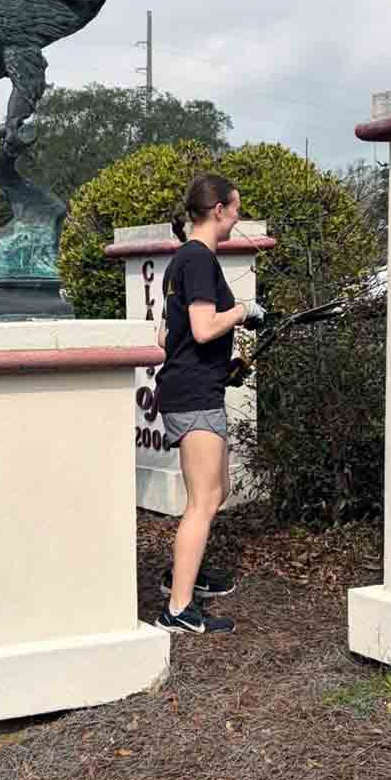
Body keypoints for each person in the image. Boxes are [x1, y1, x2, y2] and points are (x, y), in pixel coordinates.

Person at [154, 173, 264, 634]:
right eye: (236, 209)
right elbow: (202, 328)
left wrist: (225, 363)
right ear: (218, 210)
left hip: (198, 386)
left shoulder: (184, 260)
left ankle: (183, 576)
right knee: (203, 501)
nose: (237, 218)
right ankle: (177, 611)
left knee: (215, 492)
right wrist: (244, 311)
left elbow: (167, 335)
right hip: (194, 393)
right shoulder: (199, 260)